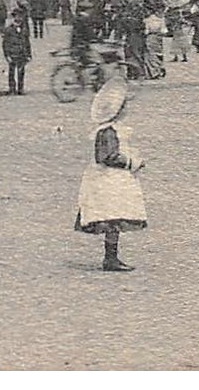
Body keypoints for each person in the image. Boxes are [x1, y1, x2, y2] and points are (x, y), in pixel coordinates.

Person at [74, 78, 147, 272]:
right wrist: (131, 162)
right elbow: (106, 157)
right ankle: (110, 258)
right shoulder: (107, 132)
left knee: (114, 217)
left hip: (111, 179)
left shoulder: (111, 130)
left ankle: (111, 256)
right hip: (108, 181)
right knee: (113, 216)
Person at [1, 7, 32, 95]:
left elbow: (27, 43)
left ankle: (20, 88)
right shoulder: (8, 30)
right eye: (16, 17)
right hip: (12, 53)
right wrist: (7, 55)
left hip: (22, 53)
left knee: (21, 72)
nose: (18, 19)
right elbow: (5, 44)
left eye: (20, 17)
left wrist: (29, 54)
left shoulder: (24, 30)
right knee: (11, 72)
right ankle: (12, 88)